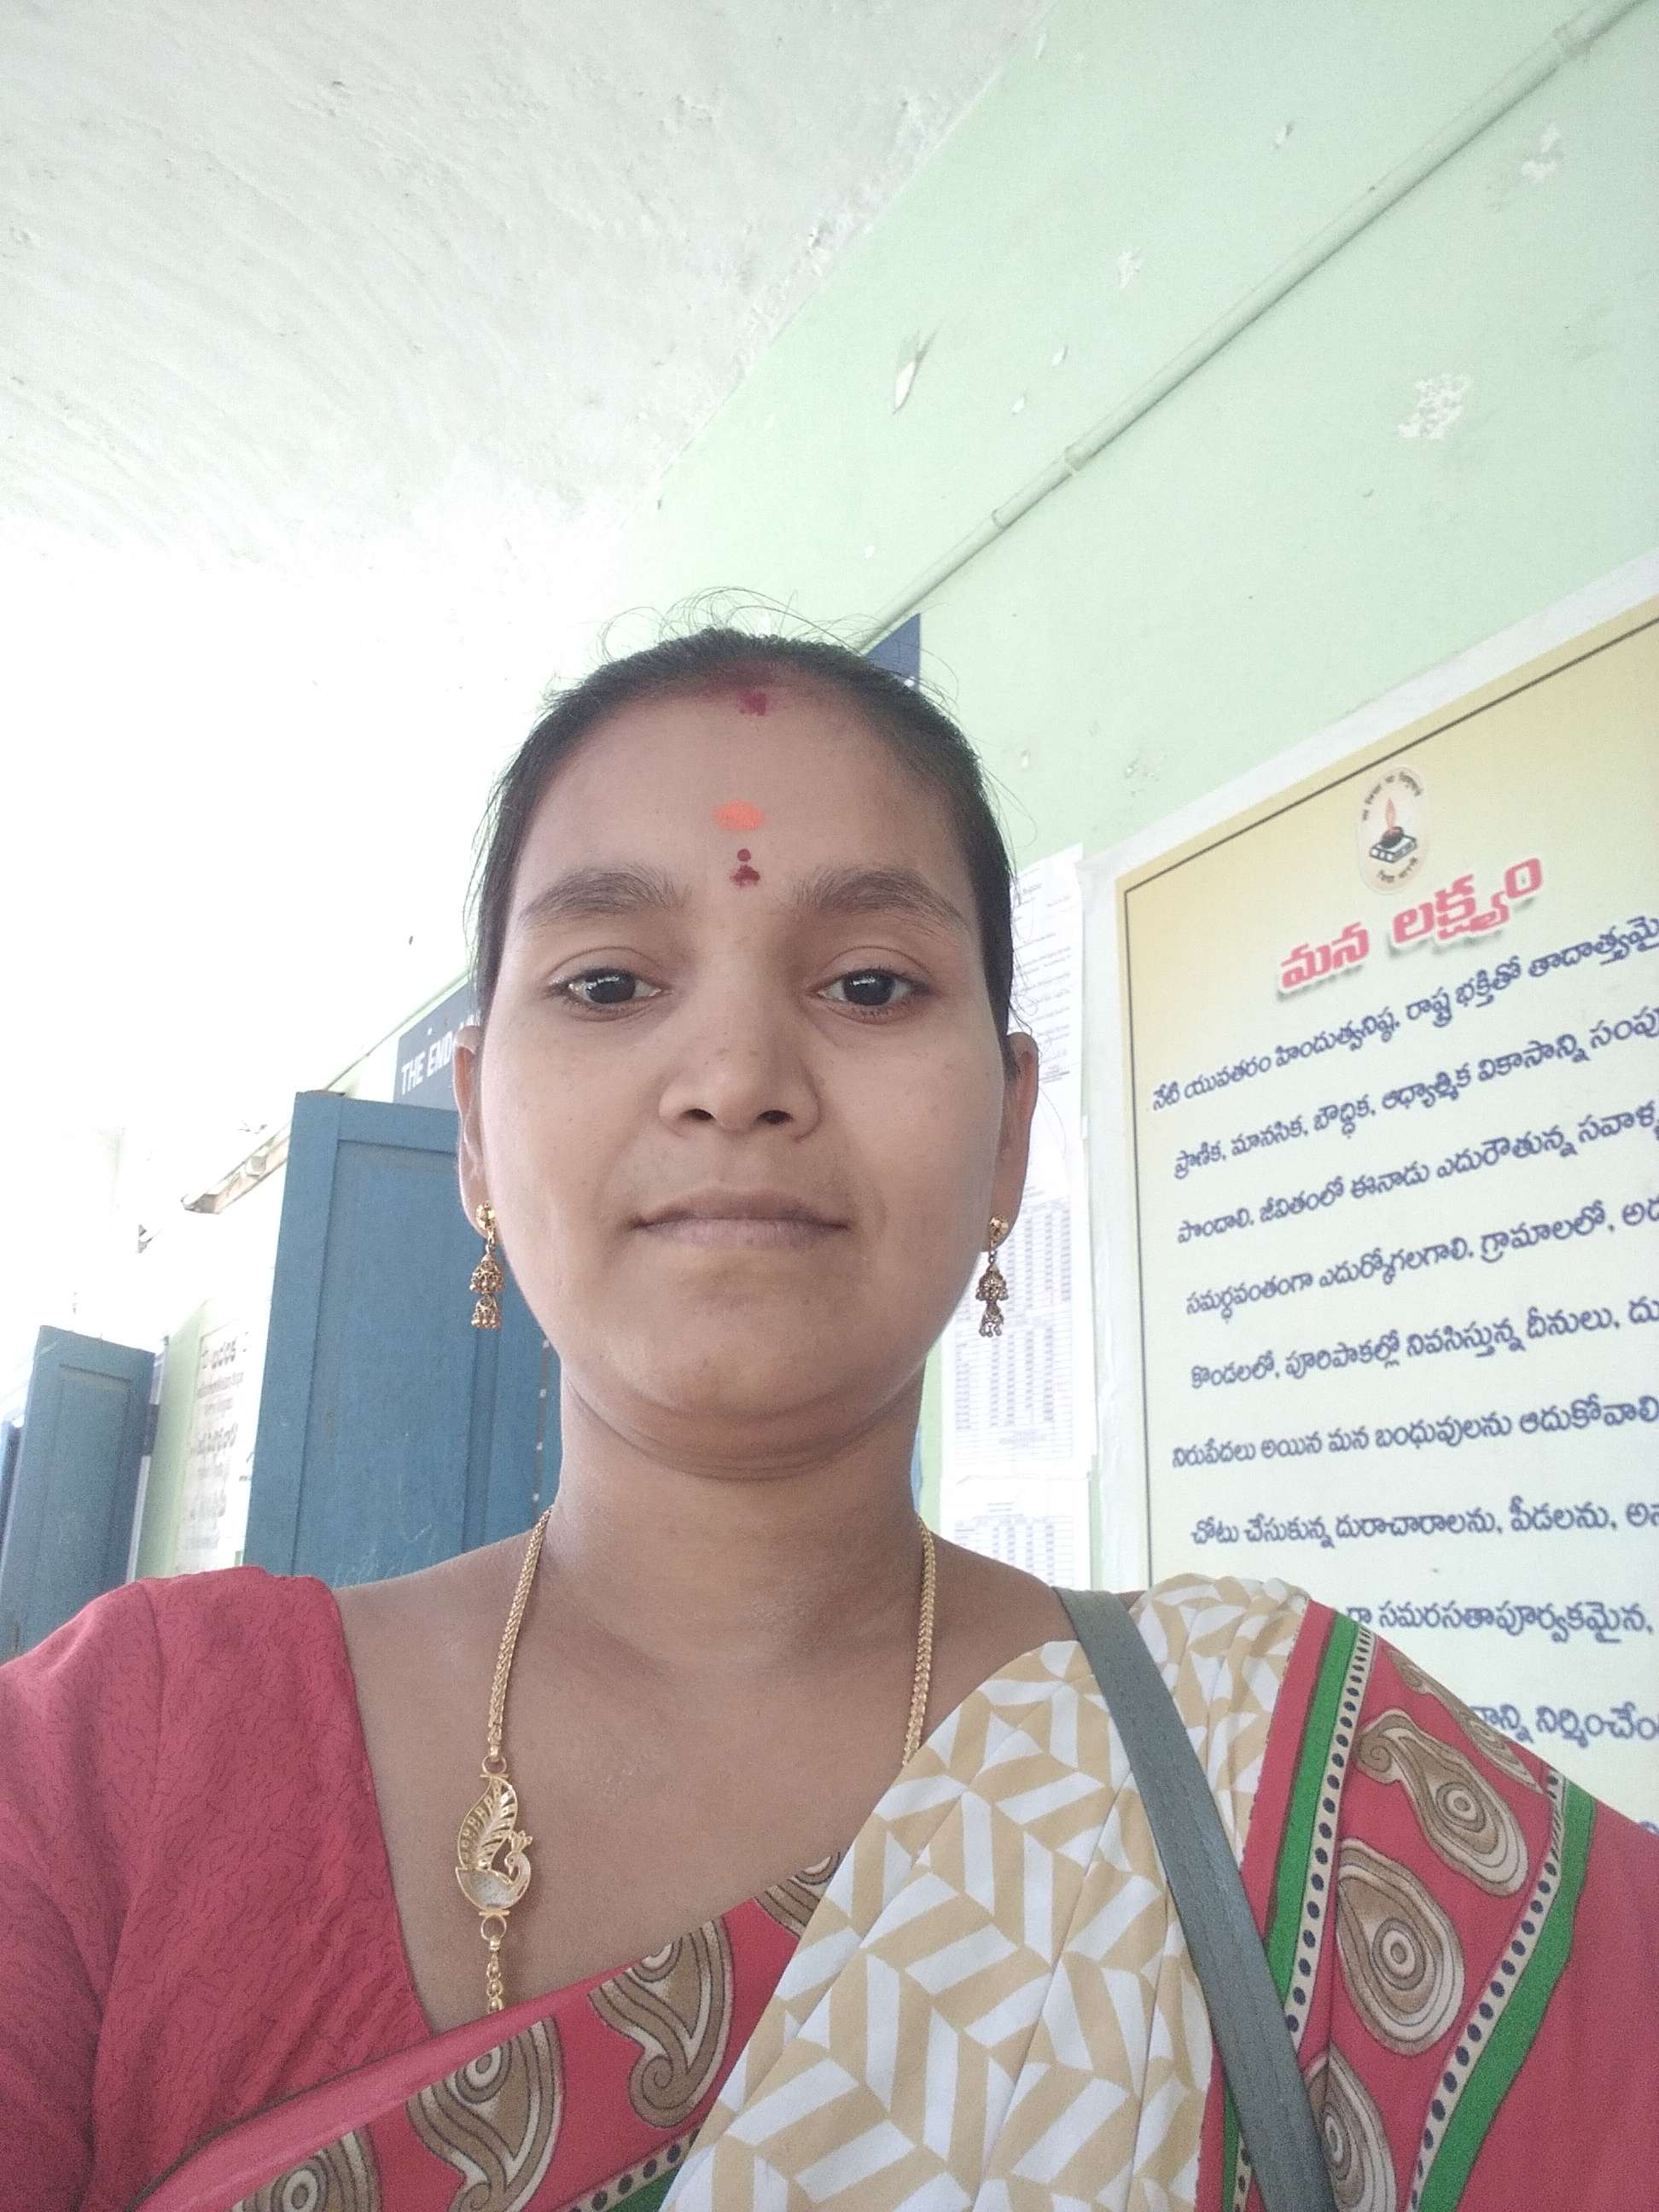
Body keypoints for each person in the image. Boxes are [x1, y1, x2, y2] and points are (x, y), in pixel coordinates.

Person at [2, 630, 1654, 2212]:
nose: (736, 1075)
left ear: (1009, 1136)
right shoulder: (117, 1767)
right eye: (607, 981)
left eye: (869, 982)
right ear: (476, 1134)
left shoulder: (1291, 1786)